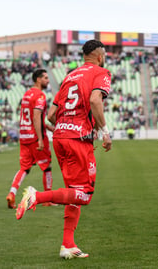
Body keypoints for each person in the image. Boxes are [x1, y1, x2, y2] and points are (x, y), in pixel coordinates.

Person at [15, 40, 112, 259]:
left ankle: (67, 245)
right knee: (84, 195)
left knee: (73, 193)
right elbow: (96, 100)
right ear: (99, 56)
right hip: (77, 139)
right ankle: (36, 196)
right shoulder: (101, 72)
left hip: (59, 137)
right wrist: (104, 131)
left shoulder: (69, 76)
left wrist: (66, 125)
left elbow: (50, 115)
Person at [6, 69, 55, 209]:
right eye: (45, 78)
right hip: (35, 137)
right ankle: (47, 198)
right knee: (47, 167)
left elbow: (34, 118)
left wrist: (48, 127)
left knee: (24, 168)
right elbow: (36, 116)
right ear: (38, 79)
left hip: (24, 136)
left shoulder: (27, 94)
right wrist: (40, 138)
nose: (47, 80)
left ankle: (12, 194)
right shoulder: (40, 95)